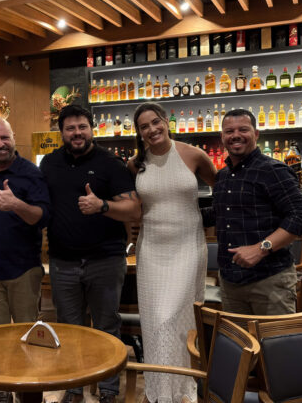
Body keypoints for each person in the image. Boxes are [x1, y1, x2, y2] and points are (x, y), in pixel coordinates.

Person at [39, 105, 140, 403]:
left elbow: (134, 209)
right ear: (61, 132)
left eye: (82, 126)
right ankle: (74, 390)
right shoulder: (49, 163)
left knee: (107, 327)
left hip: (105, 261)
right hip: (62, 262)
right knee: (69, 329)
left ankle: (108, 390)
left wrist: (102, 206)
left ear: (92, 128)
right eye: (70, 128)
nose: (77, 133)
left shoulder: (110, 163)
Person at [129, 103, 216, 403]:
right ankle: (157, 390)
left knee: (176, 317)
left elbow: (224, 189)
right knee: (154, 320)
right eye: (144, 126)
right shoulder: (135, 164)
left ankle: (182, 390)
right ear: (139, 132)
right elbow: (132, 208)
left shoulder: (193, 155)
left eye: (156, 122)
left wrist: (204, 218)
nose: (152, 129)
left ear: (166, 121)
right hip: (151, 249)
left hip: (188, 247)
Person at [202, 109, 302, 315]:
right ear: (222, 137)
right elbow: (219, 213)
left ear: (256, 133)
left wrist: (261, 248)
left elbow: (301, 216)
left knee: (275, 337)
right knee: (237, 337)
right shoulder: (223, 176)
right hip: (230, 282)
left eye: (243, 129)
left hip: (269, 281)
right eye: (229, 131)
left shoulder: (273, 170)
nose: (236, 135)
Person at [0, 118, 50, 403]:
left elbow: (43, 217)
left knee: (28, 337)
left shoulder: (31, 173)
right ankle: (4, 390)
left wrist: (16, 204)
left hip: (23, 270)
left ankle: (29, 393)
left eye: (4, 137)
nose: (0, 144)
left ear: (13, 137)